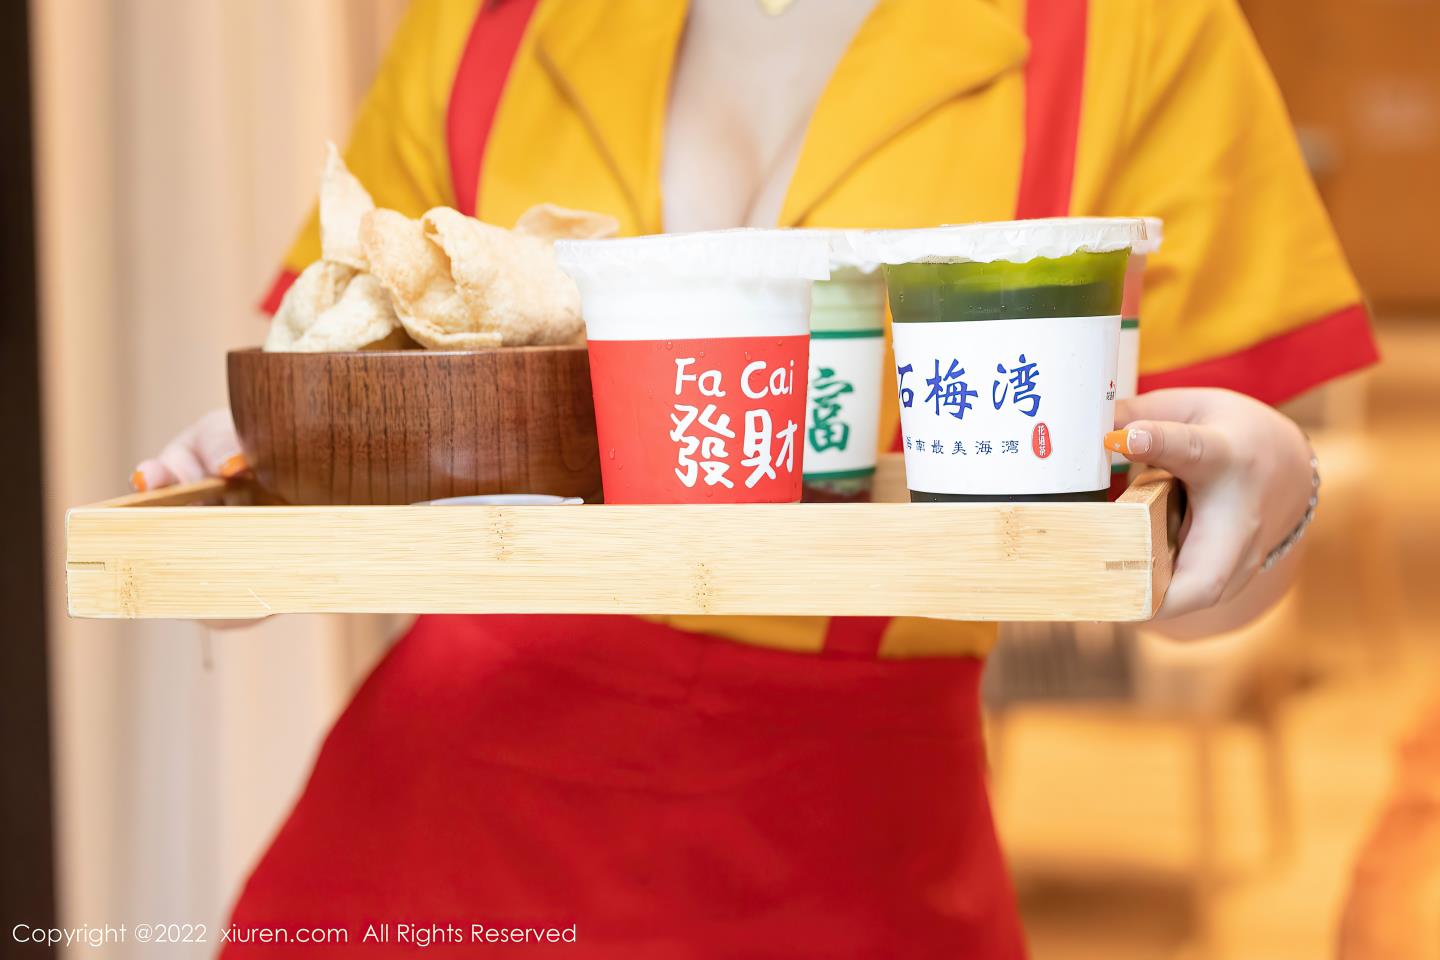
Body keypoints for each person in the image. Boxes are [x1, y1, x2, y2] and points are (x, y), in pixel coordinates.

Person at [134, 0, 1378, 955]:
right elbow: (353, 373)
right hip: (429, 843)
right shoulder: (486, 22)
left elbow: (1201, 546)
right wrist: (256, 482)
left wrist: (1270, 496)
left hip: (855, 851)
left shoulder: (1137, 30)